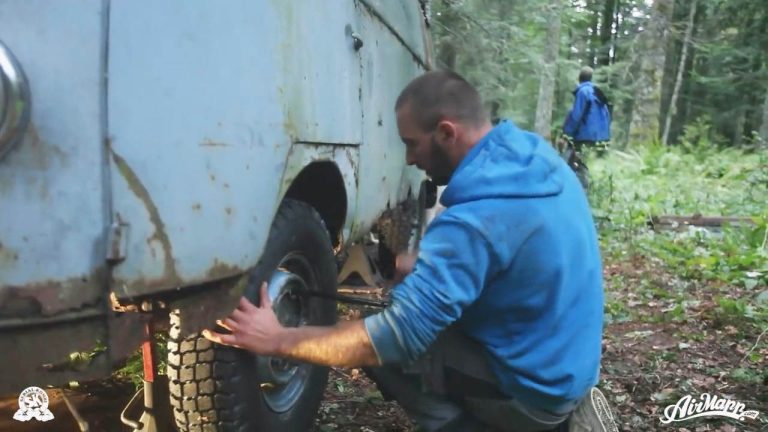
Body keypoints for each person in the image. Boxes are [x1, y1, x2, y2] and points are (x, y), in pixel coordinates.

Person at [203, 71, 618, 432]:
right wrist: (428, 270)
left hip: (538, 395)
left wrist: (277, 339)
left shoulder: (475, 221)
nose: (409, 158)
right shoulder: (533, 157)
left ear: (447, 133)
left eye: (412, 144)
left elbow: (392, 339)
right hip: (566, 367)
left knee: (376, 342)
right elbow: (511, 250)